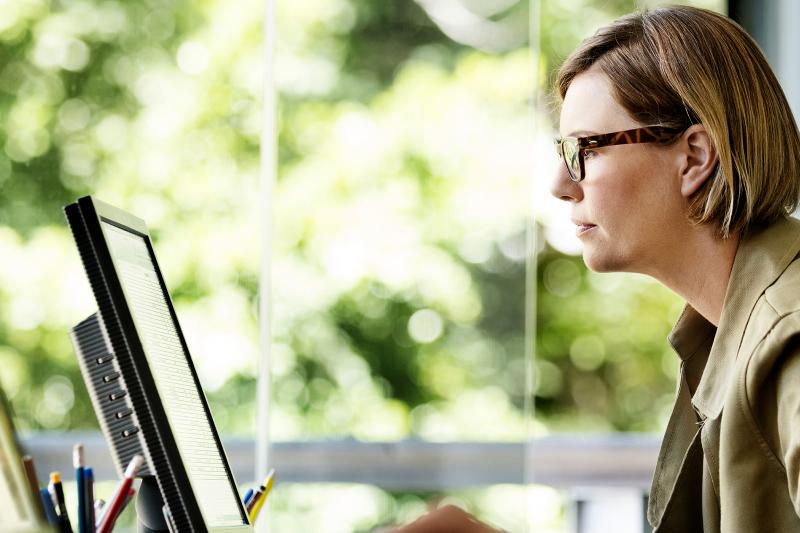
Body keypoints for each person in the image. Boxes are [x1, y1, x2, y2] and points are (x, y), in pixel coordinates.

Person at [394, 5, 800, 532]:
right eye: (563, 150)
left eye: (585, 148)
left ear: (695, 157)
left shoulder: (788, 334)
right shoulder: (726, 327)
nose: (561, 184)